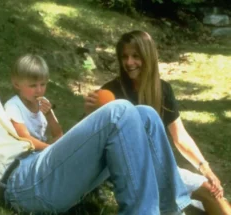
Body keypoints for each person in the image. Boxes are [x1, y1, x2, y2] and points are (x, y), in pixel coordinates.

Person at [0, 30, 192, 214]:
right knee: (120, 111)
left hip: (38, 161)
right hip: (20, 183)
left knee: (147, 115)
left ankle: (168, 208)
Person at [84, 30, 231, 215]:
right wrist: (91, 114)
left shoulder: (163, 90)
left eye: (136, 56)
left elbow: (180, 136)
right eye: (125, 57)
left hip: (161, 167)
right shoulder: (110, 93)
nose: (129, 63)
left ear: (148, 57)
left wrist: (206, 169)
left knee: (213, 192)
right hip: (129, 172)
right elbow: (90, 145)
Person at [4, 54, 63, 150]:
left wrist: (49, 114)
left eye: (43, 84)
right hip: (23, 155)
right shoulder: (13, 107)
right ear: (17, 84)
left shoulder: (42, 102)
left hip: (40, 151)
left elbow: (59, 134)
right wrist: (50, 150)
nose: (39, 90)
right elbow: (25, 139)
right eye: (33, 85)